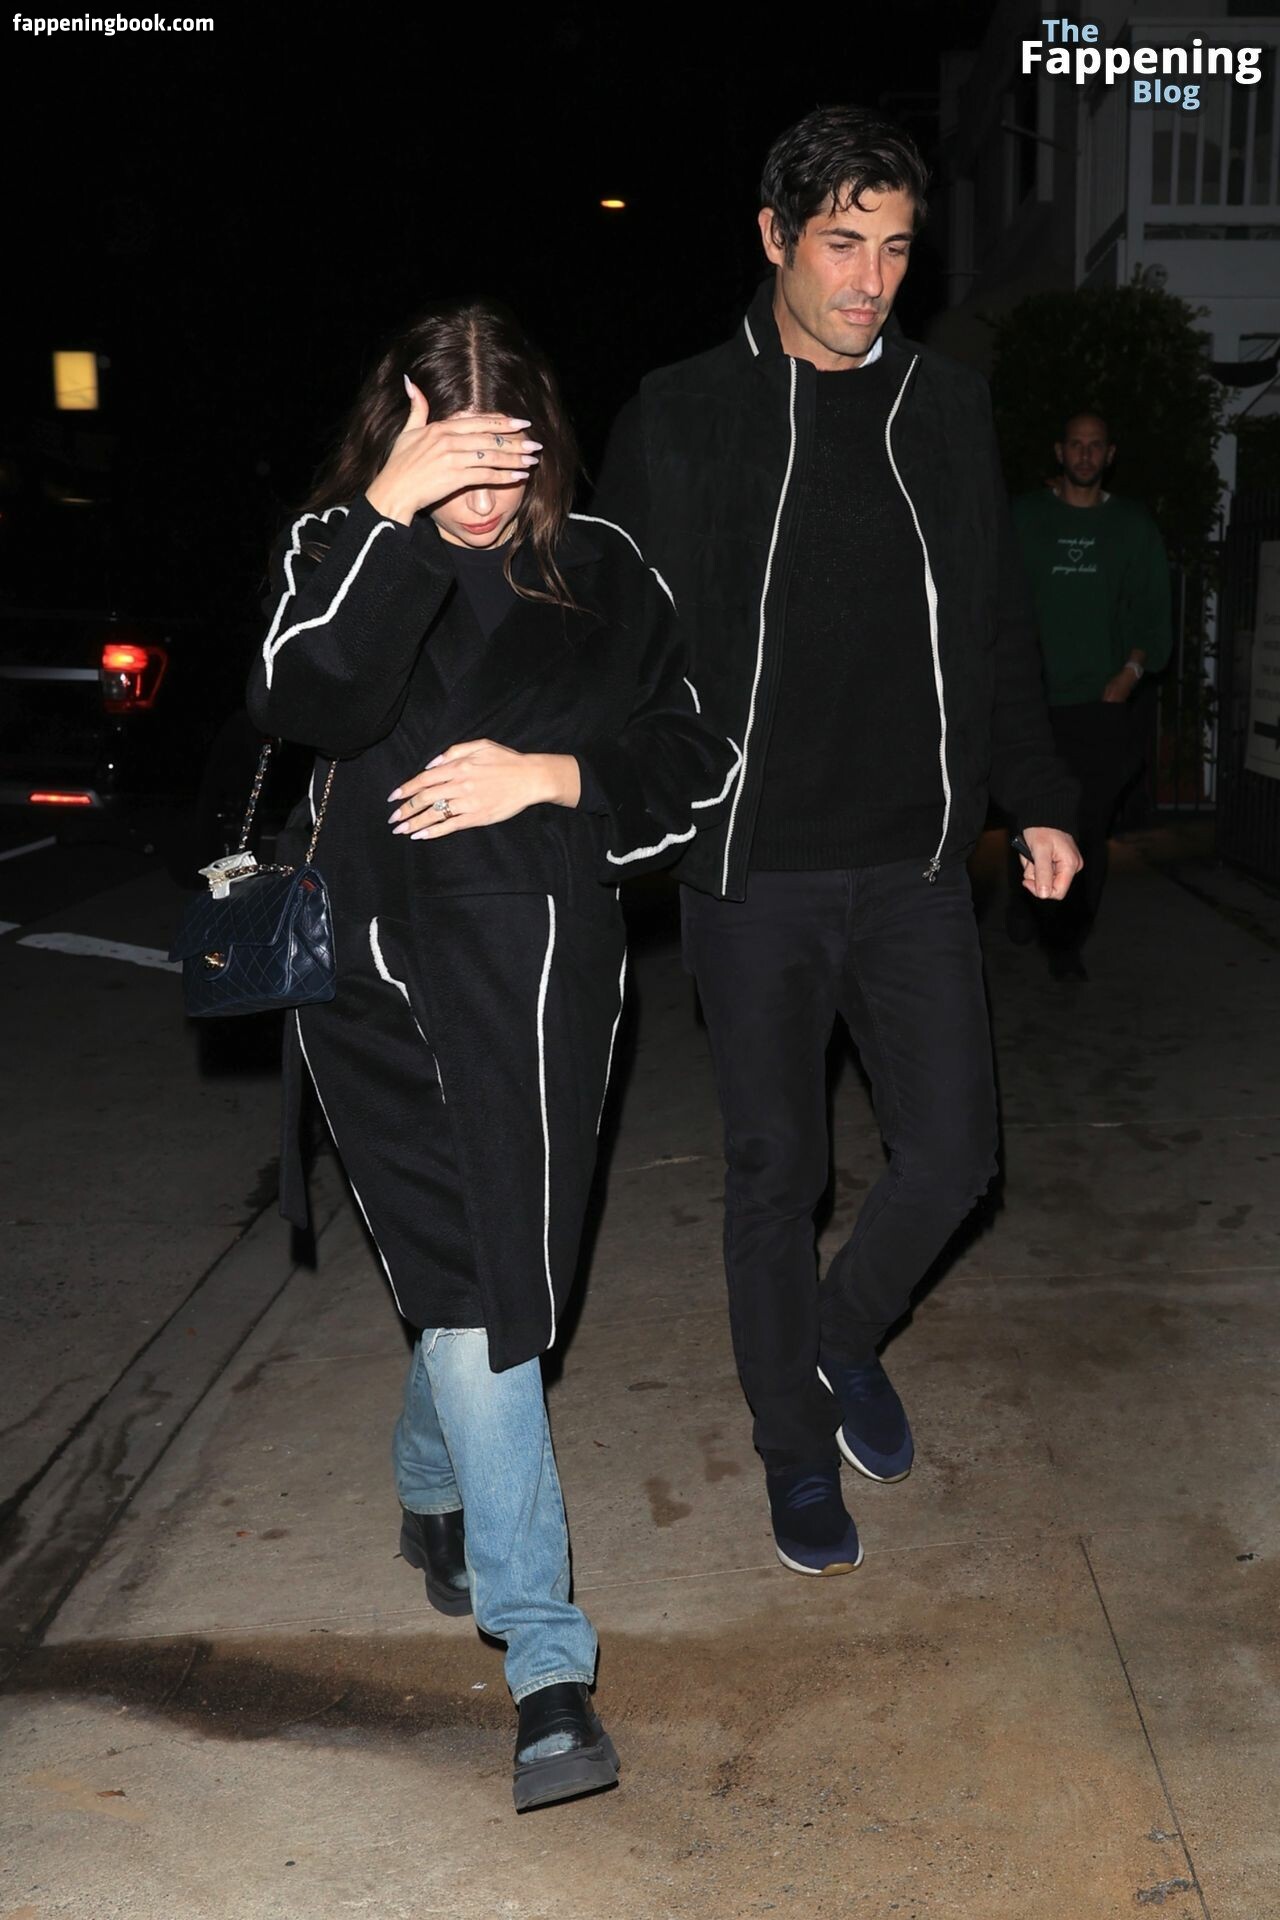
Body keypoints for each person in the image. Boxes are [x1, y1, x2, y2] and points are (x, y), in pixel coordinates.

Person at [246, 299, 737, 1811]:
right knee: (479, 1304)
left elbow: (696, 753)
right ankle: (547, 1668)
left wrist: (555, 775)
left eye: (500, 461)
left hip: (542, 986)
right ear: (397, 441)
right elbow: (305, 698)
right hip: (374, 986)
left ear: (544, 443)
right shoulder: (340, 548)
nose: (478, 494)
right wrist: (387, 516)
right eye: (446, 458)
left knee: (494, 1280)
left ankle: (428, 1479)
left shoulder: (603, 569)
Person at [593, 106, 1080, 1578]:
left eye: (896, 249)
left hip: (915, 864)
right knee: (775, 1174)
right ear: (773, 238)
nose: (870, 281)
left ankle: (837, 1337)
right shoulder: (681, 415)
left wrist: (1037, 795)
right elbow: (610, 648)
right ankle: (794, 1455)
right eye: (840, 244)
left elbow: (993, 627)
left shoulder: (944, 405)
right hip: (752, 873)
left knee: (954, 1157)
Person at [1010, 411, 1172, 977]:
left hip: (1099, 707)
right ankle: (1026, 901)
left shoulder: (1132, 525)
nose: (1084, 454)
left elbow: (1154, 610)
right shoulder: (1025, 517)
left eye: (1095, 445)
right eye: (1075, 445)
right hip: (1030, 704)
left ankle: (1067, 940)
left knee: (1088, 825)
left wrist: (1130, 672)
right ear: (1060, 451)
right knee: (1027, 815)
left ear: (1109, 454)